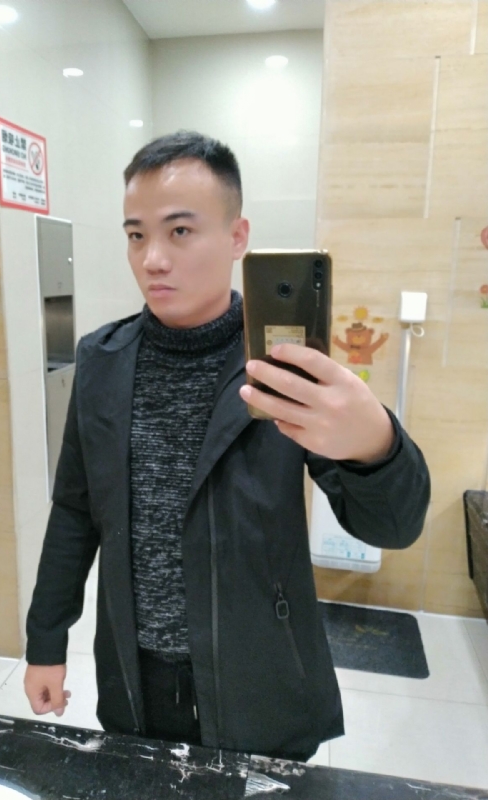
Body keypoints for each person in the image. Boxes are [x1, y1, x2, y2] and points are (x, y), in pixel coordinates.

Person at [24, 130, 430, 761]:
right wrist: (46, 642)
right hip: (136, 680)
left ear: (237, 237)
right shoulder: (101, 360)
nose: (153, 258)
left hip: (261, 679)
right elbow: (75, 511)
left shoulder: (283, 368)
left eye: (180, 231)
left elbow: (392, 526)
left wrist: (376, 443)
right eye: (136, 235)